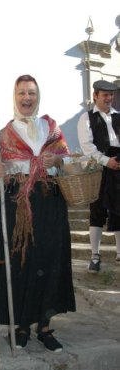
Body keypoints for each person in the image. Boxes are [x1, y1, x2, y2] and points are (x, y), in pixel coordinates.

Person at [0, 74, 76, 353]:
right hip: (16, 201)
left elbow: (68, 163)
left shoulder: (52, 129)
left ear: (38, 96)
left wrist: (57, 159)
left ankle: (45, 325)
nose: (27, 98)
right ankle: (22, 325)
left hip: (49, 201)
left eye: (32, 93)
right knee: (21, 261)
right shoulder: (4, 134)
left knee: (49, 260)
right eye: (22, 93)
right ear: (15, 97)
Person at [77, 79, 120, 273]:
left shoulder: (119, 116)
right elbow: (87, 147)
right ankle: (95, 255)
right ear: (95, 95)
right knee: (97, 210)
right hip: (99, 169)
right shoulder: (86, 118)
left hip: (118, 164)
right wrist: (105, 161)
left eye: (111, 95)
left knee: (119, 211)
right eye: (105, 95)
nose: (109, 98)